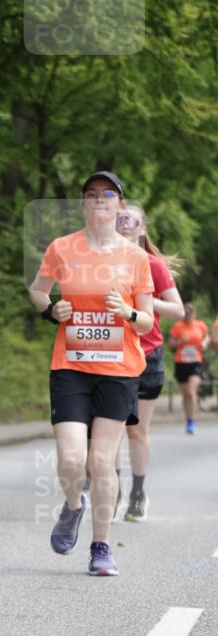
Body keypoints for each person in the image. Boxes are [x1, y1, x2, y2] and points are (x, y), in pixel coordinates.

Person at [29, 172, 154, 576]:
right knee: (71, 460)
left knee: (101, 461)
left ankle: (101, 546)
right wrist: (52, 309)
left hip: (118, 371)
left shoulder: (135, 258)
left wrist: (127, 312)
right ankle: (73, 506)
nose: (100, 199)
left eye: (108, 194)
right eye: (92, 194)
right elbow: (37, 290)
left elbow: (147, 321)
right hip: (71, 367)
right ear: (83, 203)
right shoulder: (62, 248)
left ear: (120, 205)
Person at [115, 203, 183, 520]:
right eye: (119, 220)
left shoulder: (153, 265)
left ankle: (138, 494)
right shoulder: (99, 264)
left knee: (136, 431)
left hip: (147, 353)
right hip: (111, 353)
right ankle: (112, 490)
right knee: (111, 428)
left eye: (130, 221)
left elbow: (178, 311)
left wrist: (145, 300)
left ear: (142, 228)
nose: (124, 225)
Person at [168, 303, 209, 434]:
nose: (188, 316)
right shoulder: (178, 327)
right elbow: (171, 344)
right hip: (181, 363)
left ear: (194, 314)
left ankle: (191, 421)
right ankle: (188, 418)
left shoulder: (200, 325)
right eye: (186, 313)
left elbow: (207, 337)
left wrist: (204, 343)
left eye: (190, 313)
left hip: (196, 362)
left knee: (191, 393)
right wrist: (180, 341)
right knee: (186, 394)